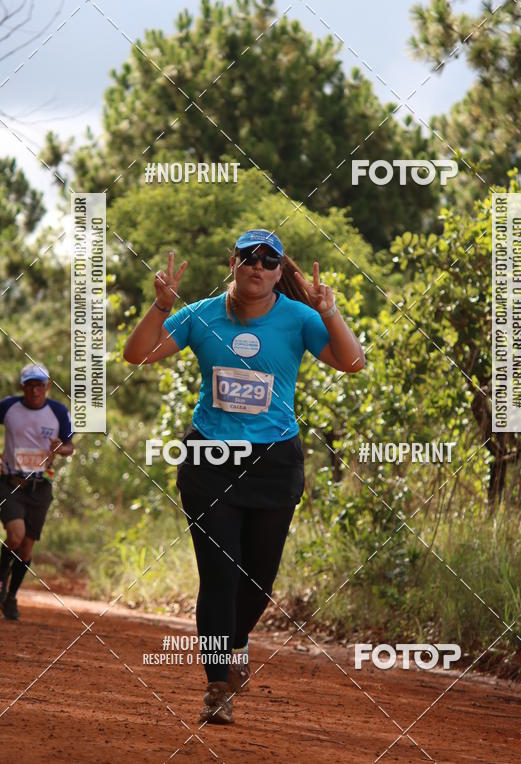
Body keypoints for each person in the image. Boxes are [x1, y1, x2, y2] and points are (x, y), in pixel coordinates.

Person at [123, 229, 365, 725]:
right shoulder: (202, 315)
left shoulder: (300, 319)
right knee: (219, 576)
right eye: (249, 258)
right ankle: (217, 686)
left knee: (258, 582)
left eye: (269, 260)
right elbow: (137, 354)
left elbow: (353, 362)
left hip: (273, 460)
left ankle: (234, 643)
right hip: (210, 457)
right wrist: (160, 307)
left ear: (280, 271)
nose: (258, 266)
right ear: (232, 262)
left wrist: (329, 312)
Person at [0, 363, 74, 621]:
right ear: (22, 387)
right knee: (15, 535)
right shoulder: (8, 406)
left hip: (40, 487)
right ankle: (0, 580)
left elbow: (70, 446)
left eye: (39, 385)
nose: (35, 390)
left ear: (48, 386)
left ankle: (11, 597)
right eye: (30, 385)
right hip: (10, 483)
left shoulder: (57, 411)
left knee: (27, 549)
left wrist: (59, 449)